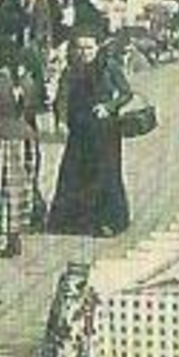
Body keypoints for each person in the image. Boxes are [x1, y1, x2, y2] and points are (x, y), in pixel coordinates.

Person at [47, 25, 132, 237]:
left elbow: (126, 93)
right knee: (75, 172)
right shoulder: (71, 69)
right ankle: (73, 221)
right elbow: (62, 98)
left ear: (97, 47)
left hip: (105, 131)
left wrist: (109, 107)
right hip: (79, 130)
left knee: (105, 174)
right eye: (80, 48)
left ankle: (108, 221)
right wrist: (61, 121)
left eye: (89, 48)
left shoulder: (109, 66)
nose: (84, 53)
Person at [0, 42, 45, 258]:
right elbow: (35, 105)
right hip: (24, 137)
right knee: (19, 186)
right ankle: (15, 236)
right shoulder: (27, 82)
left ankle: (3, 234)